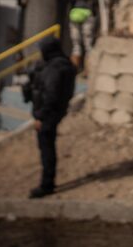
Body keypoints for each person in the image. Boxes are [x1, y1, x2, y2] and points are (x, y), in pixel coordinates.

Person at [26, 35, 77, 199]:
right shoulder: (64, 64)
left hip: (48, 113)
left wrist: (40, 116)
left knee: (47, 149)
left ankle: (46, 185)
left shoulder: (55, 68)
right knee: (48, 147)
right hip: (56, 110)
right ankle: (47, 182)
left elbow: (51, 94)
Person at [66, 0, 97, 72]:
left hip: (87, 15)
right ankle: (74, 70)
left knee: (88, 42)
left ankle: (88, 70)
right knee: (76, 43)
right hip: (75, 16)